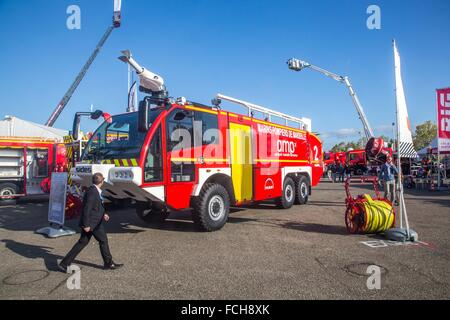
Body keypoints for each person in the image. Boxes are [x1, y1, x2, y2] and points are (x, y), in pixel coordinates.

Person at [59, 173, 123, 272]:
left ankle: (64, 263)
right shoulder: (93, 192)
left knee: (82, 242)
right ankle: (109, 263)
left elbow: (95, 206)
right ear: (102, 181)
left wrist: (103, 214)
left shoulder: (93, 190)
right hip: (92, 223)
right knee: (103, 241)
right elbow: (87, 208)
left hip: (95, 221)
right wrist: (86, 225)